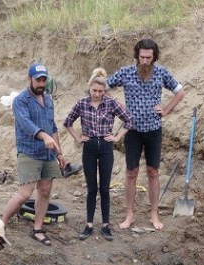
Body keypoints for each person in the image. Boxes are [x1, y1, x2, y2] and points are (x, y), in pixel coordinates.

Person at [107, 38, 185, 231]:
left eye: (149, 57)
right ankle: (129, 214)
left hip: (153, 130)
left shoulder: (161, 73)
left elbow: (180, 92)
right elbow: (102, 88)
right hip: (132, 130)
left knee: (153, 172)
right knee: (131, 172)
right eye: (142, 57)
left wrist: (166, 110)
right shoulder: (125, 73)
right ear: (136, 56)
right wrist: (118, 106)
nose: (145, 61)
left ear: (154, 57)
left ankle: (154, 214)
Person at [1, 63, 67, 247]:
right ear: (29, 79)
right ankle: (1, 225)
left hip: (48, 154)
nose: (41, 83)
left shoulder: (48, 100)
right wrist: (44, 136)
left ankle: (37, 229)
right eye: (38, 79)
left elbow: (53, 127)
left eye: (44, 80)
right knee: (24, 194)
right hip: (29, 152)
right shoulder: (20, 100)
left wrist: (59, 153)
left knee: (45, 191)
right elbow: (25, 123)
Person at [63, 67, 133, 241]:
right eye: (94, 90)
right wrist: (78, 138)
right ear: (90, 88)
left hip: (106, 147)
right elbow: (68, 122)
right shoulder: (81, 103)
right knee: (91, 188)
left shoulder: (111, 103)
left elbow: (129, 120)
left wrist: (117, 137)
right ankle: (88, 224)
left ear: (104, 91)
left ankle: (106, 225)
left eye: (100, 91)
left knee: (105, 188)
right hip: (89, 146)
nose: (97, 94)